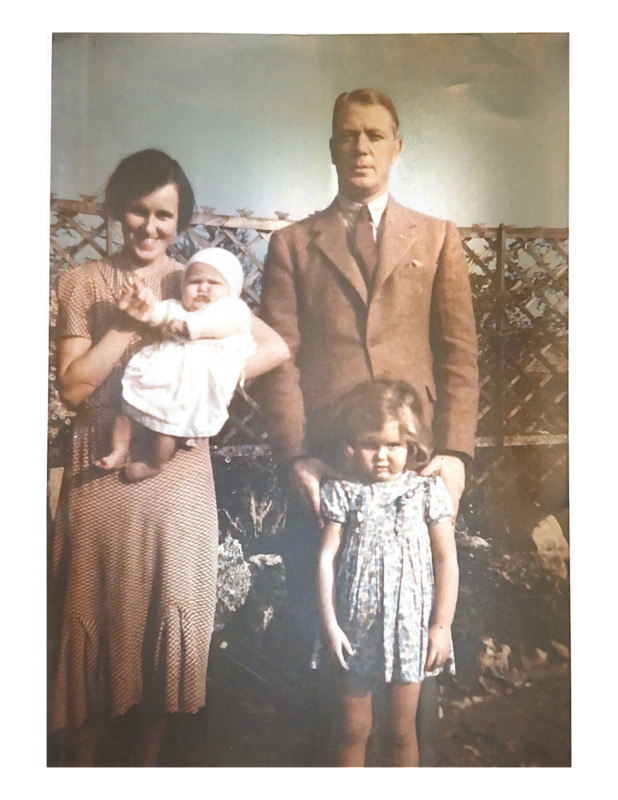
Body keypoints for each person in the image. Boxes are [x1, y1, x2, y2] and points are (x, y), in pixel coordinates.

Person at [48, 148, 289, 766]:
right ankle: (78, 768)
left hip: (179, 469)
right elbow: (75, 388)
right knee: (91, 622)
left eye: (165, 215)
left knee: (164, 616)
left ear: (180, 222)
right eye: (137, 212)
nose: (150, 228)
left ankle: (147, 770)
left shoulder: (198, 283)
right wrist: (132, 327)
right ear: (115, 212)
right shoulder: (80, 283)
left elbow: (273, 346)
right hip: (101, 461)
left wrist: (211, 383)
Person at [258, 88, 478, 764]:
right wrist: (299, 457)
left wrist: (457, 452)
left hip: (410, 467)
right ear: (331, 149)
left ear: (397, 148)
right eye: (348, 135)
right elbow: (279, 359)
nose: (361, 147)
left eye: (375, 135)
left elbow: (460, 355)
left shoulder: (437, 238)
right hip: (330, 469)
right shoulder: (292, 244)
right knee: (335, 647)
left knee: (414, 659)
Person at [314, 380, 458, 767]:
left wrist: (441, 626)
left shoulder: (426, 491)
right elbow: (327, 559)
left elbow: (446, 560)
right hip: (354, 630)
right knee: (352, 729)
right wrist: (330, 625)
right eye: (369, 444)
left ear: (411, 445)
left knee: (401, 731)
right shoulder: (344, 492)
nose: (381, 455)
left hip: (409, 630)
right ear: (351, 446)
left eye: (392, 445)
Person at [96, 247, 256, 482]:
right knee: (126, 409)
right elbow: (156, 313)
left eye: (213, 282)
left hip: (192, 385)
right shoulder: (176, 307)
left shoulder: (233, 310)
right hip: (161, 374)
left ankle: (154, 464)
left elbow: (219, 324)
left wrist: (189, 327)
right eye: (194, 281)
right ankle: (118, 450)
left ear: (231, 290)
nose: (202, 288)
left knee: (167, 429)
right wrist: (143, 300)